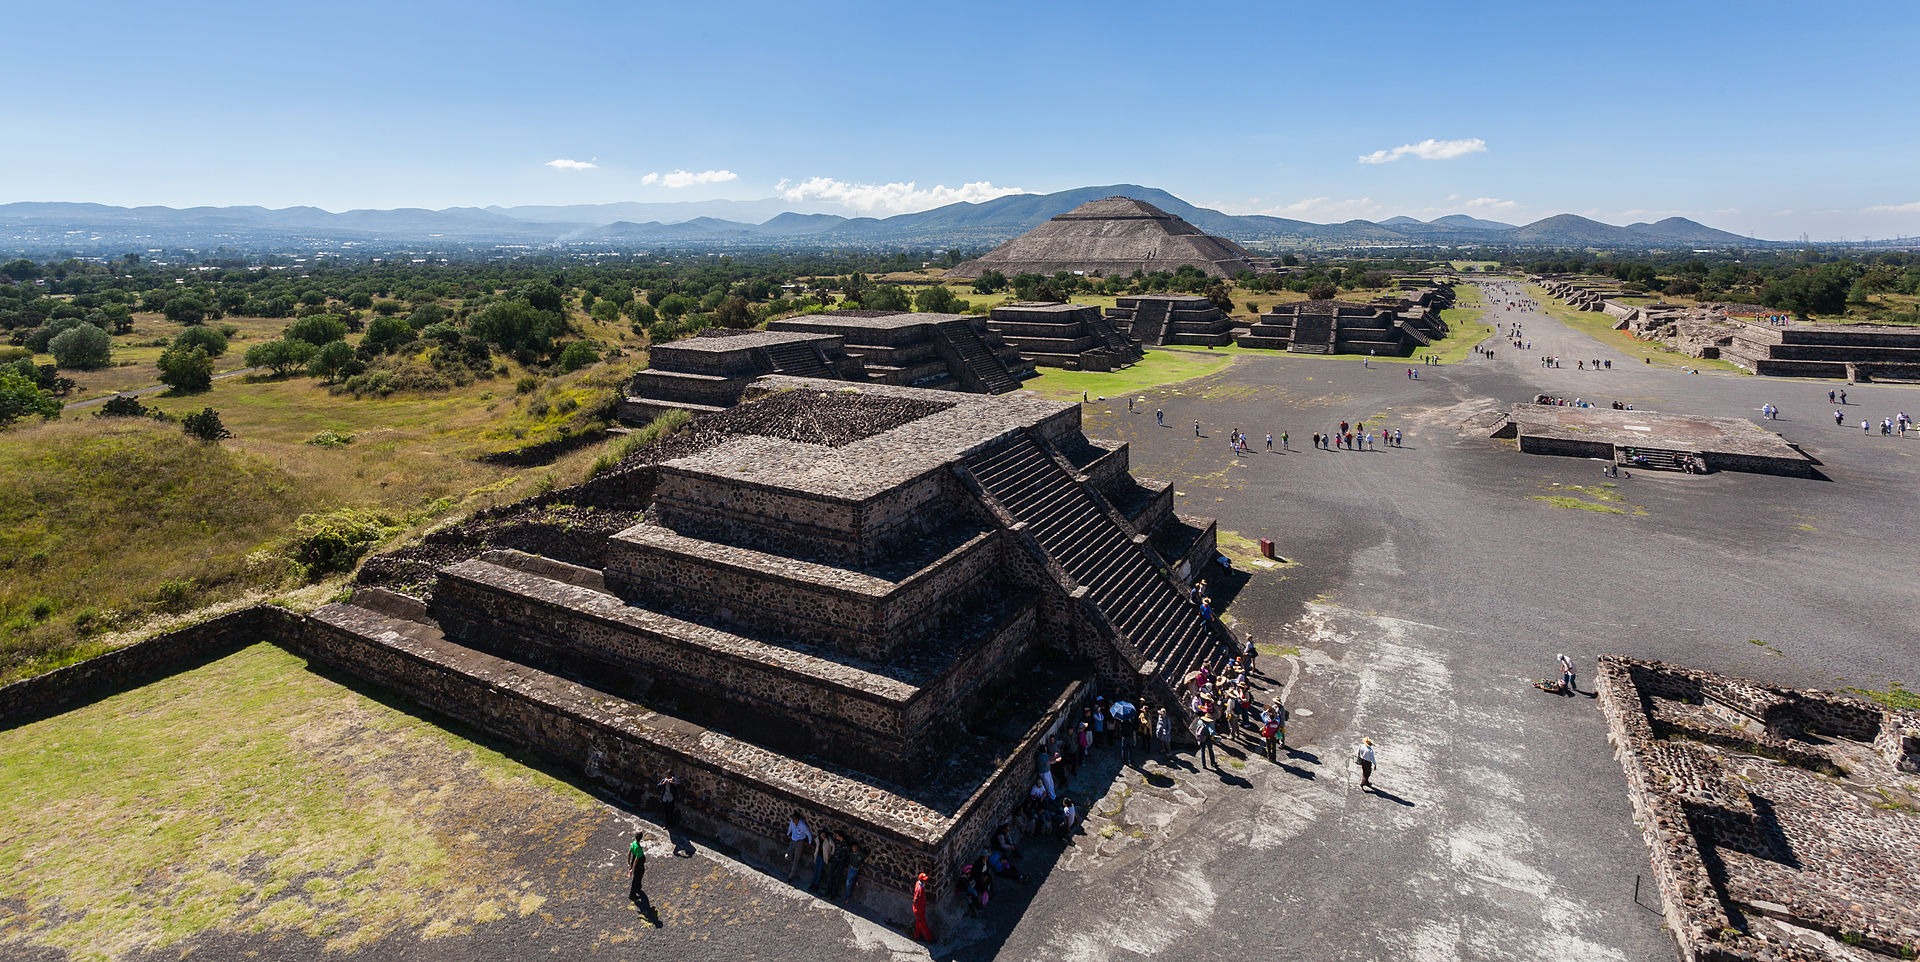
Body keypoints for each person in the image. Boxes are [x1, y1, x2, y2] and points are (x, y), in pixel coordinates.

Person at [784, 812, 813, 882]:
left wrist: (809, 842)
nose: (792, 820)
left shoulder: (803, 825)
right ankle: (791, 860)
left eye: (793, 819)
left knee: (796, 860)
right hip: (793, 840)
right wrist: (788, 834)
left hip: (800, 842)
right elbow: (790, 828)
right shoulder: (792, 822)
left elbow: (809, 834)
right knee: (787, 855)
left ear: (797, 819)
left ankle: (790, 876)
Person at [911, 872, 934, 942]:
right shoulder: (919, 889)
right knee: (923, 924)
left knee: (918, 923)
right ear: (921, 880)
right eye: (924, 880)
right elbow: (915, 899)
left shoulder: (918, 883)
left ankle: (916, 936)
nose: (925, 881)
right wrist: (917, 908)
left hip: (920, 909)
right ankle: (929, 938)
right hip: (919, 910)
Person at [627, 830, 648, 903]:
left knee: (637, 877)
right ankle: (632, 894)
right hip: (638, 864)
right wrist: (632, 869)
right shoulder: (639, 848)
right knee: (637, 877)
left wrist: (629, 863)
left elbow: (629, 853)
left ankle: (638, 887)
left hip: (634, 860)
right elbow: (637, 860)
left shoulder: (633, 843)